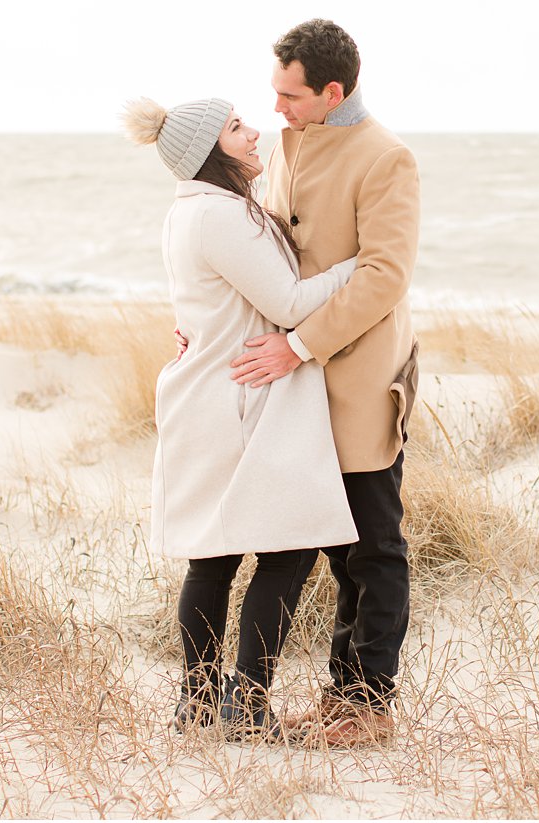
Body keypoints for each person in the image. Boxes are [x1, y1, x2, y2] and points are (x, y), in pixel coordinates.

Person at [121, 94, 360, 742]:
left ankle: (198, 705)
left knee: (214, 556)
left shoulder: (194, 212)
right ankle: (245, 704)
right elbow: (285, 302)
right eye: (235, 127)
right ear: (209, 151)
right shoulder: (220, 216)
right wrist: (363, 266)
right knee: (288, 545)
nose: (253, 131)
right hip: (235, 399)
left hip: (211, 392)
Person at [229, 19, 420, 748]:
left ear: (333, 90)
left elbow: (384, 275)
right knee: (334, 547)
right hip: (298, 384)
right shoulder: (285, 144)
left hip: (359, 378)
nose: (277, 107)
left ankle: (370, 704)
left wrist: (298, 346)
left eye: (291, 95)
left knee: (374, 546)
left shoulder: (387, 158)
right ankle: (345, 695)